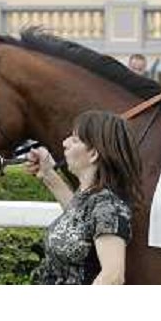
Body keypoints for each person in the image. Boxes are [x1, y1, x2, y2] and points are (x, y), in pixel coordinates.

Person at [23, 110, 141, 285]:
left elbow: (112, 277)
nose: (64, 143)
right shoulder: (89, 198)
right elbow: (77, 217)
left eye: (75, 139)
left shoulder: (107, 208)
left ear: (93, 154)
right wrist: (47, 173)